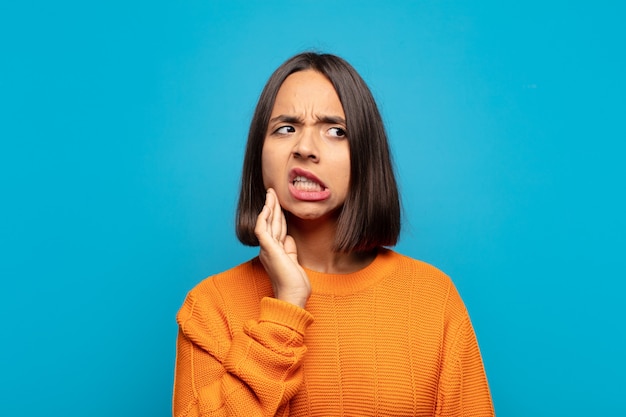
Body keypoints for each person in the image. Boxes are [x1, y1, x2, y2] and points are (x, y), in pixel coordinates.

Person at [173, 52, 494, 417]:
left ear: (366, 157)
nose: (305, 148)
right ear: (259, 158)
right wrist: (286, 308)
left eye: (336, 131)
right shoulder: (211, 307)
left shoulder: (433, 299)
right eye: (286, 128)